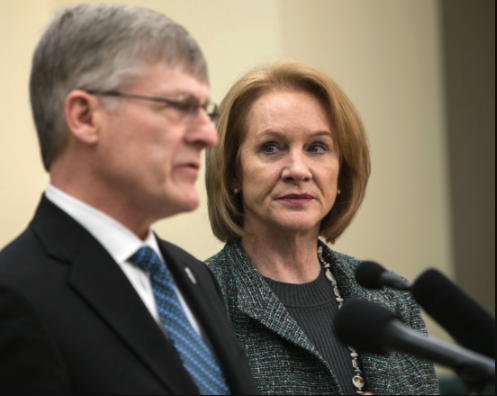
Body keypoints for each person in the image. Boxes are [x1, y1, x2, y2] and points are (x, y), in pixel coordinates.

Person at [0, 4, 258, 395]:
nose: (209, 136)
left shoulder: (195, 276)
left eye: (206, 111)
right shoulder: (14, 295)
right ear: (86, 117)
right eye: (181, 106)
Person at [205, 61, 439, 395]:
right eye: (271, 147)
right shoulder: (198, 302)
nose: (298, 170)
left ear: (341, 172)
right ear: (232, 171)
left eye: (317, 148)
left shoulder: (390, 299)